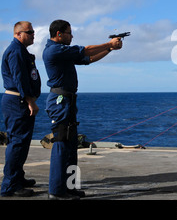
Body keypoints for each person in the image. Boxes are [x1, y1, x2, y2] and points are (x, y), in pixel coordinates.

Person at [42, 20, 122, 200]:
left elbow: (88, 59)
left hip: (68, 101)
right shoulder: (55, 50)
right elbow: (85, 50)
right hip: (60, 102)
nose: (72, 36)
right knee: (61, 145)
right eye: (69, 33)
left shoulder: (63, 52)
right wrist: (109, 43)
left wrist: (109, 50)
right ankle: (56, 191)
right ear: (59, 34)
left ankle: (69, 187)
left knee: (71, 147)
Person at [1, 21, 41, 197]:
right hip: (18, 101)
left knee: (21, 142)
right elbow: (20, 78)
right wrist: (30, 101)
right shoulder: (16, 51)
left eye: (33, 32)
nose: (33, 34)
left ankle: (17, 177)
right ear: (18, 34)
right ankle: (10, 186)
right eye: (29, 32)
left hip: (19, 100)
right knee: (17, 142)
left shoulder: (21, 50)